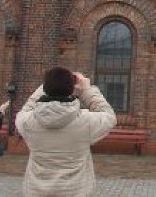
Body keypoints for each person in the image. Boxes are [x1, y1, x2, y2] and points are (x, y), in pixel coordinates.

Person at [15, 66, 116, 196]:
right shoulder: (85, 122)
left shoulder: (28, 122)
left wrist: (49, 84)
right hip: (75, 191)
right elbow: (109, 116)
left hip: (37, 191)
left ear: (45, 88)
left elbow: (25, 110)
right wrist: (87, 91)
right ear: (71, 89)